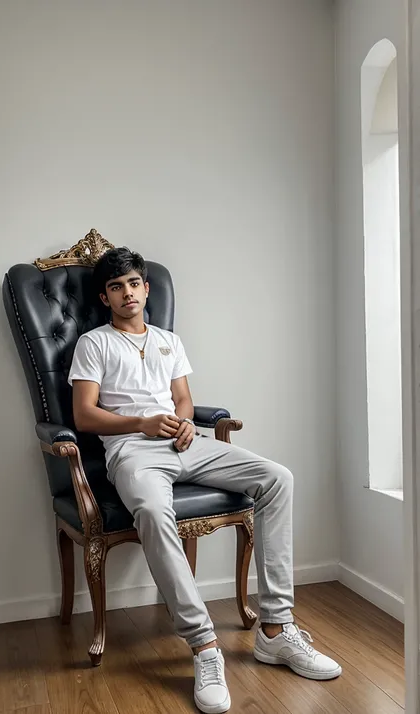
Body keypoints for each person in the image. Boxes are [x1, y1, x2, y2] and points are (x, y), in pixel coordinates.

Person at [69, 247, 342, 714]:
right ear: (105, 296)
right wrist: (142, 424)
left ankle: (275, 630)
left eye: (133, 283)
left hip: (185, 443)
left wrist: (181, 423)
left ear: (146, 288)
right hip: (132, 451)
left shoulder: (169, 340)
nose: (127, 293)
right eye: (116, 287)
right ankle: (204, 646)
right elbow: (84, 415)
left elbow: (184, 400)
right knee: (154, 511)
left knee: (277, 478)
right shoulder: (94, 343)